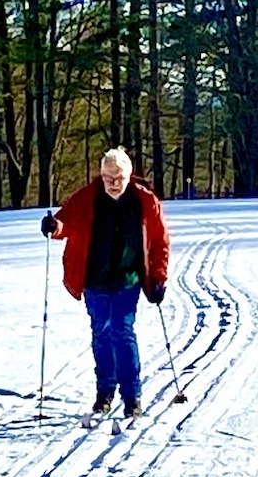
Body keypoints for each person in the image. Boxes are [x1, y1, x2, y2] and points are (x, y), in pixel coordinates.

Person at [40, 147, 170, 419]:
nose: (113, 182)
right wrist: (54, 226)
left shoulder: (144, 201)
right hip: (94, 279)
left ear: (129, 175)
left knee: (122, 331)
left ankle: (132, 396)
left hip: (127, 279)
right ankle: (105, 392)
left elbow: (159, 242)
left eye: (119, 176)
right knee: (101, 331)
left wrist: (158, 278)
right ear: (100, 175)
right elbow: (66, 223)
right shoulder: (88, 197)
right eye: (108, 176)